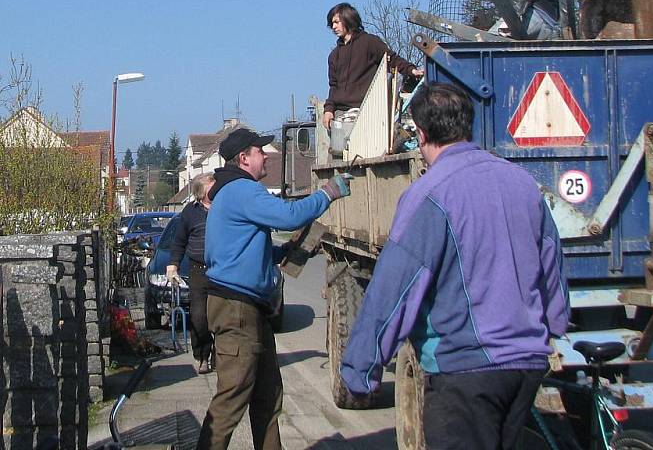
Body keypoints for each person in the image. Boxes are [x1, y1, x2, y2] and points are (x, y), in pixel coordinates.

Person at [341, 83, 570, 450]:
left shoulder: (429, 194)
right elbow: (551, 264)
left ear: (421, 132)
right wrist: (554, 323)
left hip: (466, 372)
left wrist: (361, 370)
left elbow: (394, 288)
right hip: (527, 365)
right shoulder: (523, 184)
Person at [196, 127, 352, 450]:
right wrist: (328, 193)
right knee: (233, 395)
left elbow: (240, 251)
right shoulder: (241, 190)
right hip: (236, 309)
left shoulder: (232, 192)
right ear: (244, 158)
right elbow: (289, 216)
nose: (266, 155)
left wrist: (286, 253)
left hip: (248, 309)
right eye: (260, 151)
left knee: (267, 396)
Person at [323, 2, 423, 130]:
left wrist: (411, 70)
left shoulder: (370, 42)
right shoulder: (334, 55)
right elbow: (334, 86)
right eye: (331, 23)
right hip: (341, 113)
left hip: (368, 111)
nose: (333, 26)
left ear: (348, 19)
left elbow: (391, 60)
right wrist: (329, 109)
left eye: (337, 22)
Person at [166, 172, 215, 374]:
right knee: (199, 317)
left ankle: (221, 356)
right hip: (198, 271)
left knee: (222, 317)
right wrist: (173, 265)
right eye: (213, 185)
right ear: (202, 192)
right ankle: (202, 355)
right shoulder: (190, 212)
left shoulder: (224, 208)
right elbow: (179, 241)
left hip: (222, 270)